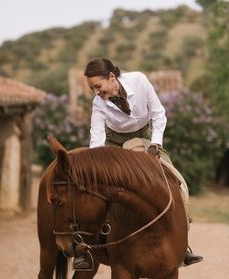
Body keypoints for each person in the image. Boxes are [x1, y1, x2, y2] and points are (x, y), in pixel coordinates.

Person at [72, 58, 203, 269]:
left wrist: (155, 144)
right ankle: (87, 248)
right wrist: (98, 166)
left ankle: (183, 243)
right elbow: (96, 139)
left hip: (147, 135)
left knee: (173, 180)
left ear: (112, 77)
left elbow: (159, 114)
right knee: (102, 190)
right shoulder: (98, 103)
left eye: (98, 86)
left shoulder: (140, 81)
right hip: (114, 141)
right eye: (92, 88)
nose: (96, 92)